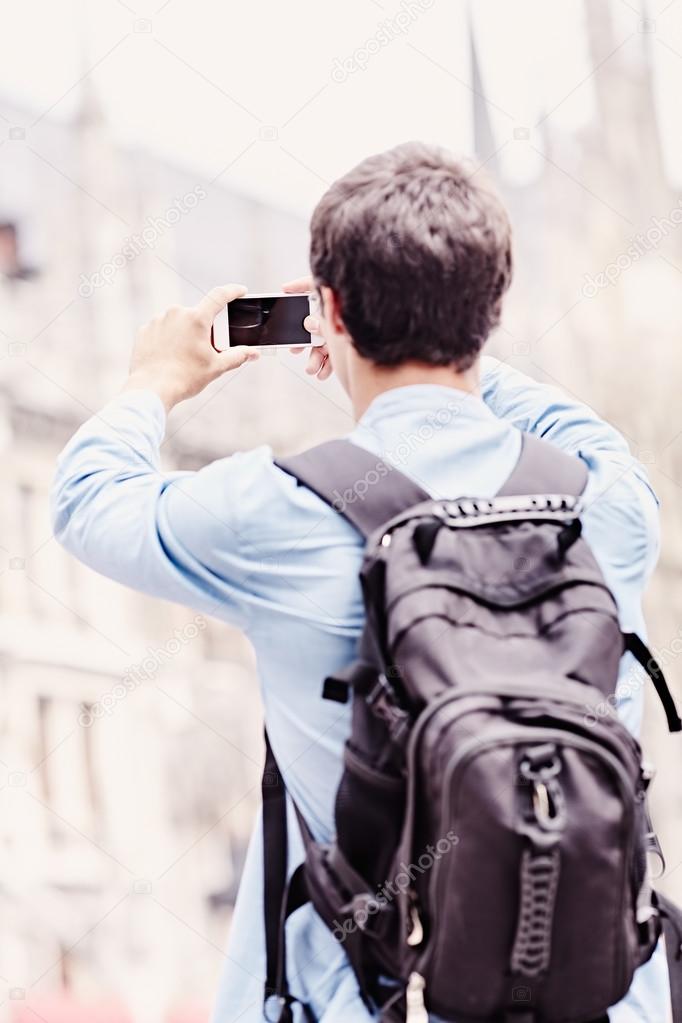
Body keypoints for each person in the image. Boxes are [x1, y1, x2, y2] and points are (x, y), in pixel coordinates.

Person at [51, 142, 669, 1022]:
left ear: (327, 311)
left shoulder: (273, 510)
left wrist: (156, 381)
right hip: (602, 996)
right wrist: (435, 333)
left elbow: (86, 500)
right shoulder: (610, 501)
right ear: (492, 310)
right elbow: (553, 413)